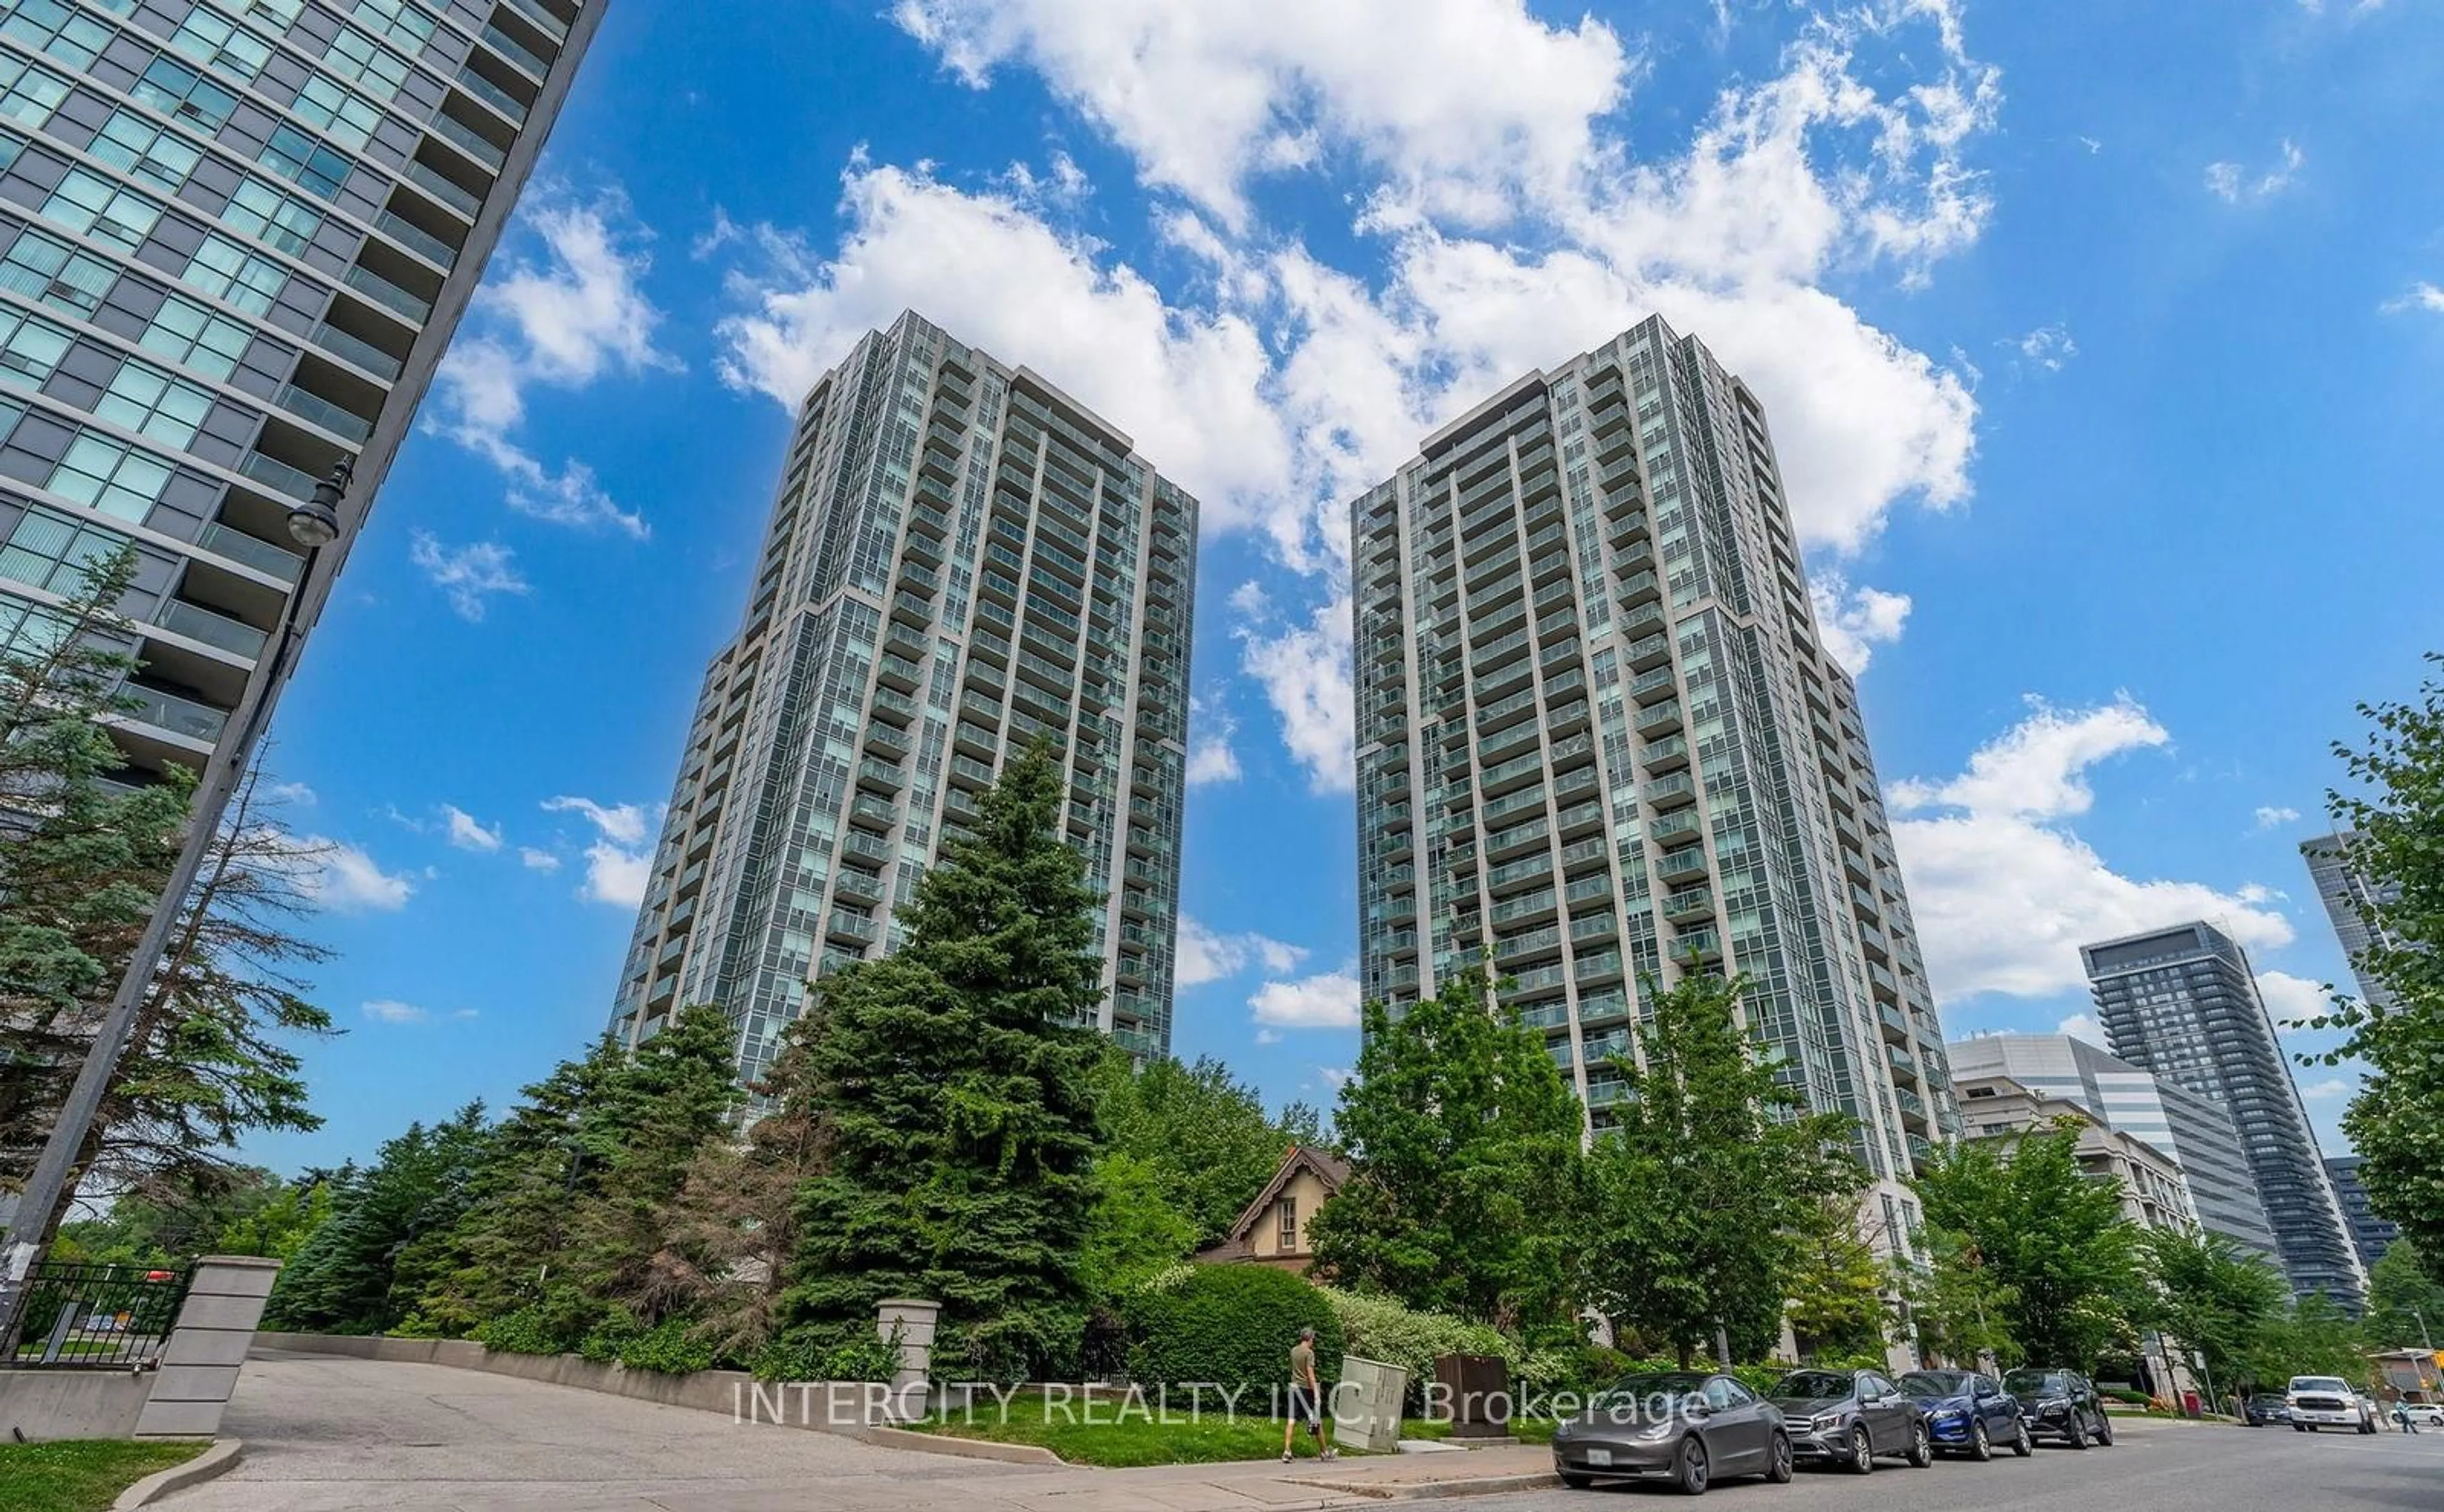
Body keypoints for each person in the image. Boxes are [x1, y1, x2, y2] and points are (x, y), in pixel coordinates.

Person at [1282, 1325, 1337, 1462]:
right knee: (1316, 1421)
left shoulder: (1294, 1351)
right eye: (1313, 1338)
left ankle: (1287, 1451)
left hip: (1293, 1387)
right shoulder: (1309, 1353)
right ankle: (1325, 1452)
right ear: (1310, 1338)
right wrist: (1316, 1393)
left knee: (1292, 1420)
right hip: (1305, 1389)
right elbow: (1310, 1374)